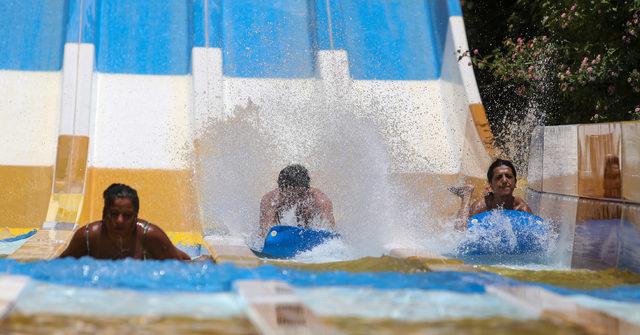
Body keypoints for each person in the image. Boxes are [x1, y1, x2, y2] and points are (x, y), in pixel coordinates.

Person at [60, 183, 191, 260]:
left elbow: (183, 268)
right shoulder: (88, 237)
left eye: (127, 215)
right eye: (114, 214)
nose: (120, 221)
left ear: (136, 216)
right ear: (104, 213)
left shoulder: (150, 236)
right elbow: (58, 267)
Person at [450, 159, 532, 230]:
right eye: (499, 177)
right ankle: (466, 195)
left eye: (509, 176)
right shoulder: (481, 207)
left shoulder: (521, 208)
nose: (504, 180)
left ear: (515, 183)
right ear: (491, 184)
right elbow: (460, 234)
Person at [259, 164, 336, 237]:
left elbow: (329, 229)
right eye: (289, 195)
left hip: (308, 232)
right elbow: (265, 231)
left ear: (307, 189)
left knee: (307, 209)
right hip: (280, 235)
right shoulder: (271, 199)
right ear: (281, 189)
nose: (294, 199)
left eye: (300, 194)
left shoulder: (320, 200)